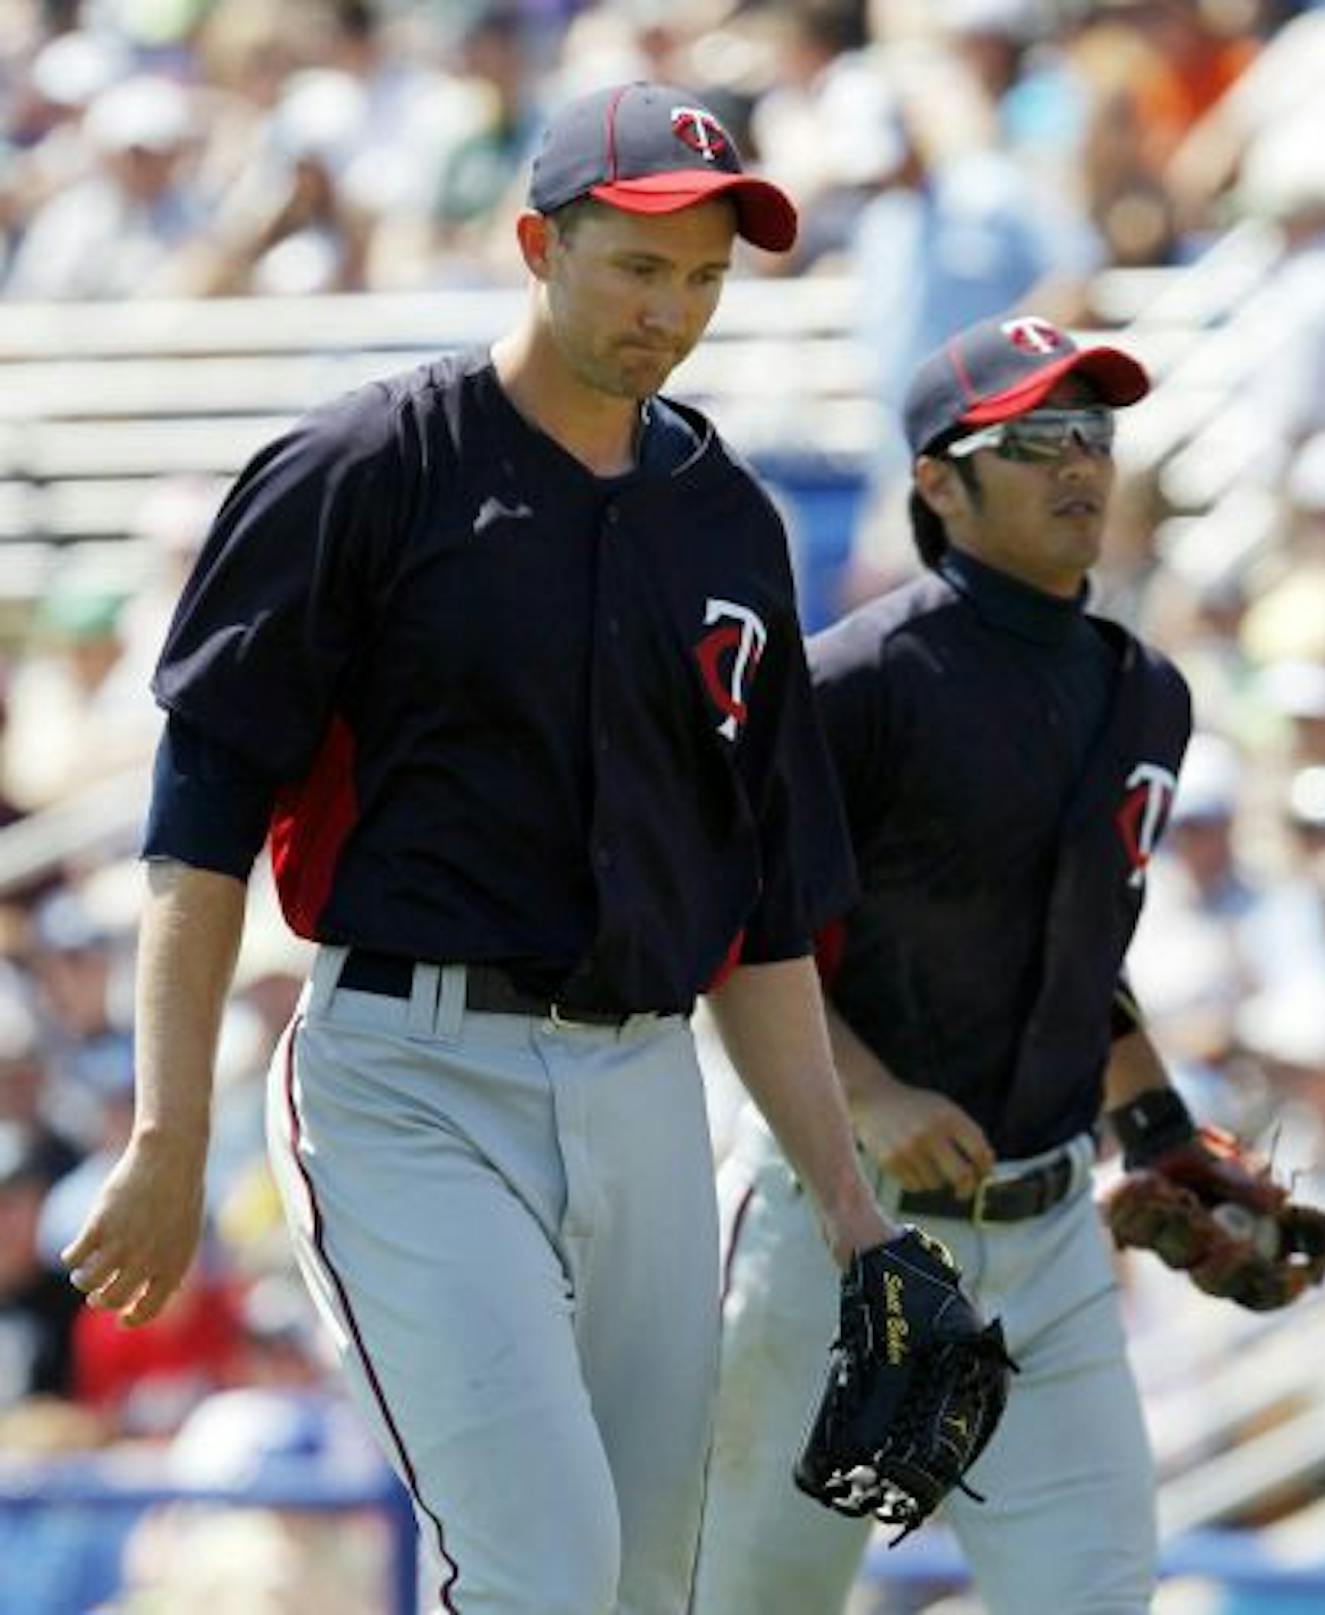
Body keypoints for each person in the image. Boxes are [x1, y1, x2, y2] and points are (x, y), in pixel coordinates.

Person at [59, 81, 900, 1614]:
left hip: (648, 1086)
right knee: (542, 1573)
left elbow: (762, 915)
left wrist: (851, 1210)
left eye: (706, 276)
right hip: (411, 1075)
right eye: (639, 265)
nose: (673, 311)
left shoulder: (729, 523)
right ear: (536, 242)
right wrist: (170, 1132)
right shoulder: (365, 469)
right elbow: (198, 829)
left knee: (651, 1589)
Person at [694, 314, 1194, 1615]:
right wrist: (872, 1099)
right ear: (937, 480)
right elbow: (740, 938)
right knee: (750, 1607)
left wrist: (1161, 1126)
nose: (1079, 464)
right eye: (1033, 440)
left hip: (1049, 1253)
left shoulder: (1149, 694)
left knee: (1093, 1599)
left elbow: (1086, 951)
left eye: (1093, 433)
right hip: (846, 1237)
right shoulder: (857, 684)